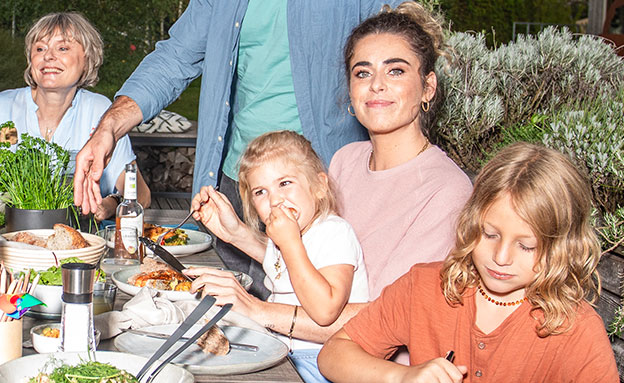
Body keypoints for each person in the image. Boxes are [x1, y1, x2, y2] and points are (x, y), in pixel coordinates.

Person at [184, 0, 471, 348]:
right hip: (307, 352)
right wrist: (239, 235)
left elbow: (393, 318)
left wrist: (257, 310)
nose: (376, 84)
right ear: (349, 91)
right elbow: (321, 267)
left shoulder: (446, 190)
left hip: (370, 375)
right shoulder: (346, 161)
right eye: (362, 72)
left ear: (428, 87)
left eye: (395, 71)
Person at [69, 0, 408, 293]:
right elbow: (174, 60)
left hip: (320, 188)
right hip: (239, 188)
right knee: (238, 322)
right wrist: (109, 127)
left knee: (316, 319)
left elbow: (395, 55)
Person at [318, 143, 622, 383]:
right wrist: (403, 378)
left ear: (562, 247)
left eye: (526, 246)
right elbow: (334, 355)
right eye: (489, 234)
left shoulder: (577, 329)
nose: (501, 257)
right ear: (472, 222)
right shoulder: (425, 286)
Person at [190, 130, 368, 383]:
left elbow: (326, 310)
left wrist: (290, 244)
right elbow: (277, 266)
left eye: (285, 183)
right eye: (261, 191)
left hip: (327, 368)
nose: (274, 200)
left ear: (319, 186)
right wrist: (233, 231)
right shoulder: (285, 237)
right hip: (287, 353)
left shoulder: (334, 232)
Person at [0, 12, 149, 219]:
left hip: (76, 240)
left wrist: (112, 203)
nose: (48, 56)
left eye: (62, 48)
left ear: (87, 60)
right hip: (2, 239)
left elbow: (142, 195)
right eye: (40, 48)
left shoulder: (100, 112)